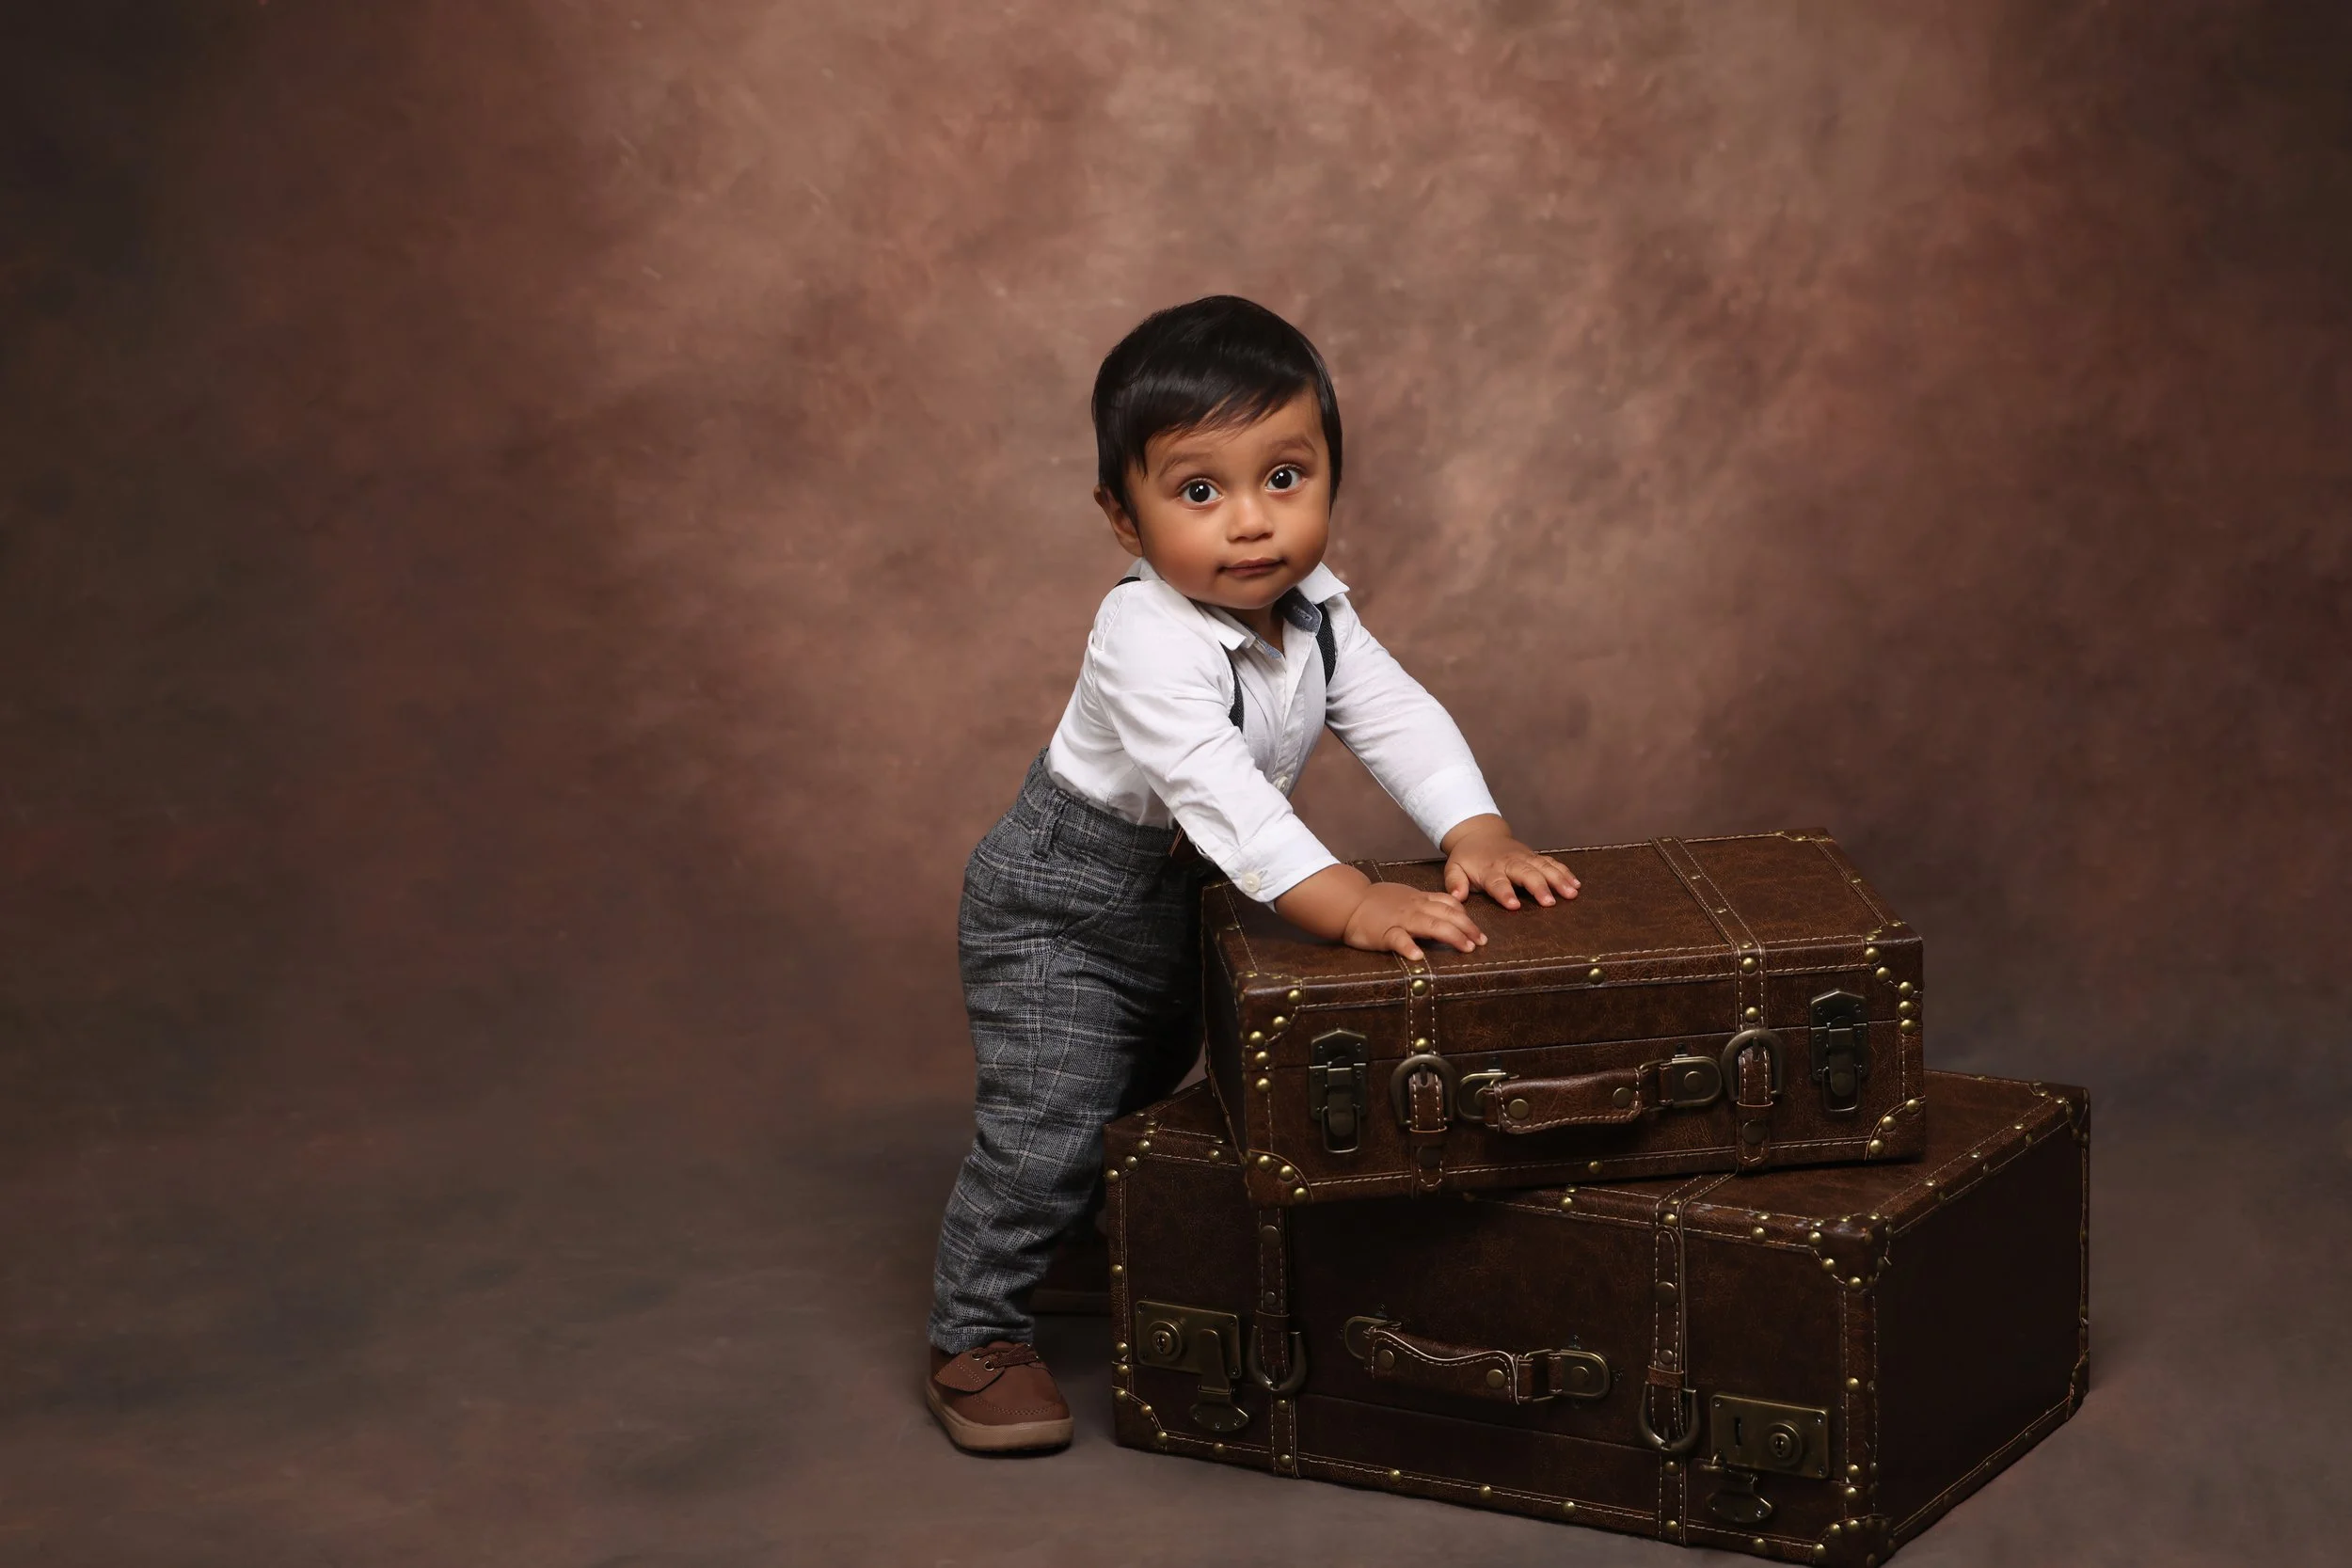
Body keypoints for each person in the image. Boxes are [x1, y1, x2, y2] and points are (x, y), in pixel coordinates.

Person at [925, 295, 1580, 1453]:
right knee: (1047, 1118)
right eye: (1197, 491)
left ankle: (1076, 1239)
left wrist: (1472, 824)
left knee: (1140, 1085)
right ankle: (975, 1332)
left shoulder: (1315, 610)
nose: (1249, 524)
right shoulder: (1143, 635)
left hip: (1181, 896)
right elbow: (1225, 797)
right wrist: (1352, 902)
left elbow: (1392, 714)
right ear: (1120, 519)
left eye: (1285, 476)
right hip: (1059, 908)